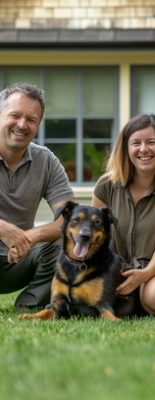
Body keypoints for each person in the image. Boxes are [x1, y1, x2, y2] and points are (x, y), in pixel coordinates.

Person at [92, 114, 155, 317]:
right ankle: (134, 302)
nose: (144, 149)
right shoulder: (106, 186)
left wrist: (143, 275)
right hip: (116, 267)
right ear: (126, 148)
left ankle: (143, 300)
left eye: (151, 142)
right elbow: (96, 239)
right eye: (136, 143)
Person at [0, 82, 74, 310]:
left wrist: (30, 237)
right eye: (15, 115)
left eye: (31, 119)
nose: (22, 124)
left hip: (17, 262)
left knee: (68, 241)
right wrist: (4, 229)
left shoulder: (46, 161)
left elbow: (70, 216)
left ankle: (28, 304)